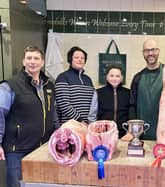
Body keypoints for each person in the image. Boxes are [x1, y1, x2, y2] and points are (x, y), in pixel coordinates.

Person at [0, 46, 60, 187]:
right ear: (23, 61)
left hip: (43, 149)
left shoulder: (49, 85)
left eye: (36, 58)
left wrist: (59, 133)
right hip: (17, 150)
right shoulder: (10, 86)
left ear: (42, 62)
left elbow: (53, 112)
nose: (32, 62)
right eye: (29, 58)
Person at [129, 38, 163, 140]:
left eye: (153, 50)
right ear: (143, 53)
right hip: (141, 133)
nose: (150, 53)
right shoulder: (137, 78)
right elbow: (132, 105)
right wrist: (132, 131)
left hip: (164, 131)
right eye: (147, 51)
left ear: (158, 51)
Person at [55, 46, 97, 125]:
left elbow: (93, 104)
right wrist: (80, 121)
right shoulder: (63, 77)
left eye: (82, 58)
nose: (80, 59)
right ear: (70, 60)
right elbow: (63, 104)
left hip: (87, 126)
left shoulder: (88, 79)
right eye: (76, 57)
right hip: (69, 126)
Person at [96, 65, 130, 138]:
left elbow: (131, 113)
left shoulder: (128, 93)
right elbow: (95, 114)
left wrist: (130, 132)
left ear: (121, 78)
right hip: (103, 134)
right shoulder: (98, 93)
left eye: (117, 76)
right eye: (111, 76)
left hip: (123, 135)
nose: (114, 78)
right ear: (107, 77)